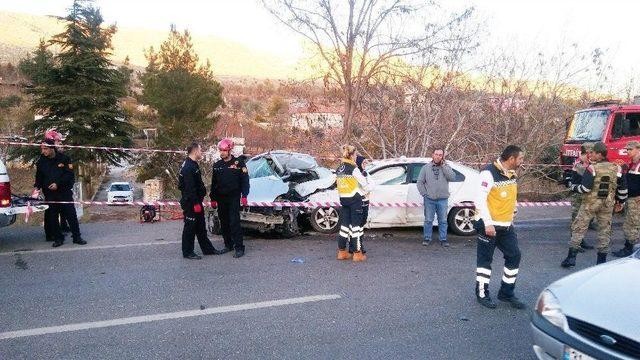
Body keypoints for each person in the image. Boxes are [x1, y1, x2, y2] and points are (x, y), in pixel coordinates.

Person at [474, 145, 526, 310]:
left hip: (506, 226)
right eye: (520, 159)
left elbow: (511, 196)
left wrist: (513, 213)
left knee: (514, 256)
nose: (521, 162)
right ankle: (482, 293)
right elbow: (479, 199)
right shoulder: (488, 173)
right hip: (489, 226)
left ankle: (506, 292)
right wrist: (488, 223)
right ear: (511, 159)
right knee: (485, 261)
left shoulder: (511, 174)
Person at [561, 142, 627, 267]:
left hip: (589, 204)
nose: (591, 155)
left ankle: (571, 258)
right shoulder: (617, 168)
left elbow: (585, 188)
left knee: (579, 228)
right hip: (607, 205)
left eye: (593, 153)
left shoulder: (592, 168)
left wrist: (572, 186)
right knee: (604, 231)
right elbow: (623, 188)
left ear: (599, 154)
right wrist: (621, 201)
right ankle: (601, 262)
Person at [33, 139, 86, 247]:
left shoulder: (64, 159)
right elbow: (39, 177)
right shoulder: (41, 161)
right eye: (42, 149)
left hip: (64, 193)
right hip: (50, 194)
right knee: (53, 217)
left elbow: (69, 175)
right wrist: (37, 188)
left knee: (71, 215)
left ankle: (77, 237)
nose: (43, 151)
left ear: (52, 148)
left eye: (45, 149)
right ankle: (58, 238)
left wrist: (58, 184)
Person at [178, 142, 225, 260]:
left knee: (200, 227)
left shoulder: (193, 164)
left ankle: (208, 249)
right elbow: (189, 188)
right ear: (194, 151)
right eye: (200, 150)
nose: (201, 152)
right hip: (191, 203)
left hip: (196, 201)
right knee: (190, 227)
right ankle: (187, 252)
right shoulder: (188, 167)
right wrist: (195, 203)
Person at [210, 138, 250, 258]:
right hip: (221, 198)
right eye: (220, 150)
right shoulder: (217, 165)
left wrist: (244, 195)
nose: (221, 152)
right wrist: (213, 198)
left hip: (233, 198)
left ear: (229, 150)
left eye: (224, 150)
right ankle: (228, 245)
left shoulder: (239, 163)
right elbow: (214, 184)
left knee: (234, 222)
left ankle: (239, 247)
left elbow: (245, 180)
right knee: (224, 223)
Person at [336, 145, 372, 262]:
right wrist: (365, 191)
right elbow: (364, 183)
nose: (356, 157)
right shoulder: (353, 168)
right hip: (355, 200)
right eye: (355, 155)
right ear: (351, 155)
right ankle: (357, 253)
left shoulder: (339, 168)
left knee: (344, 227)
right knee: (356, 228)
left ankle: (342, 252)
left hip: (344, 199)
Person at [417, 147, 456, 247]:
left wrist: (443, 166)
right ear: (432, 155)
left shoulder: (446, 167)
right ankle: (427, 238)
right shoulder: (426, 168)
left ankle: (443, 239)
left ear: (442, 156)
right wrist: (424, 194)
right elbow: (420, 182)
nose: (438, 156)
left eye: (440, 155)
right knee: (428, 220)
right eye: (436, 154)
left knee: (443, 220)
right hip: (429, 199)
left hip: (443, 199)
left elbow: (452, 177)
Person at [565, 143, 595, 252]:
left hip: (584, 195)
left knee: (583, 220)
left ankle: (581, 241)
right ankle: (575, 243)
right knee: (576, 220)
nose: (591, 155)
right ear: (584, 153)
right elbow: (589, 175)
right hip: (577, 196)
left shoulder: (587, 164)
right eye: (589, 153)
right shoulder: (579, 164)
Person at [613, 141, 640, 257]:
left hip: (636, 200)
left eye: (630, 149)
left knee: (631, 224)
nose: (627, 151)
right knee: (631, 224)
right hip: (630, 198)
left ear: (638, 149)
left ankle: (629, 249)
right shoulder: (630, 164)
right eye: (627, 149)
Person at [45, 130, 72, 234]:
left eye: (61, 142)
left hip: (63, 187)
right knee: (51, 212)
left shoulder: (64, 157)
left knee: (64, 209)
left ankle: (64, 226)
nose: (60, 144)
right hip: (50, 189)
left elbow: (68, 173)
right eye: (58, 142)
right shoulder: (47, 157)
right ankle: (51, 232)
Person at [355, 155, 372, 232]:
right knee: (357, 222)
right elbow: (363, 187)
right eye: (363, 163)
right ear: (358, 163)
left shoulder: (365, 173)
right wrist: (366, 189)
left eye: (366, 163)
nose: (365, 164)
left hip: (366, 200)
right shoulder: (356, 173)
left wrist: (367, 188)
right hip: (358, 201)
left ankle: (359, 240)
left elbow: (372, 184)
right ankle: (356, 240)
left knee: (363, 221)